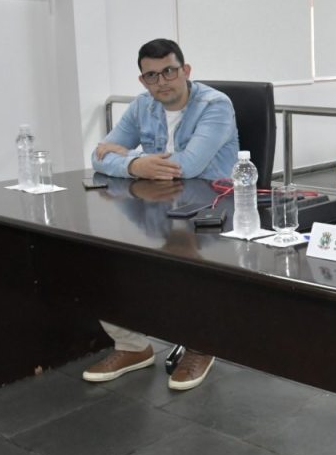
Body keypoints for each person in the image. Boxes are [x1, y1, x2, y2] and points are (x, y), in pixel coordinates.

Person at [83, 38, 239, 391]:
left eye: (169, 71)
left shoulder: (215, 105)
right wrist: (136, 164)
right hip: (156, 207)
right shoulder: (142, 105)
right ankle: (132, 346)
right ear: (143, 80)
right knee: (101, 256)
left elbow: (188, 166)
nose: (162, 81)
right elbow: (98, 156)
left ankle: (202, 344)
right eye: (151, 76)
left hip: (212, 211)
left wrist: (128, 160)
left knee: (187, 268)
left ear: (186, 71)